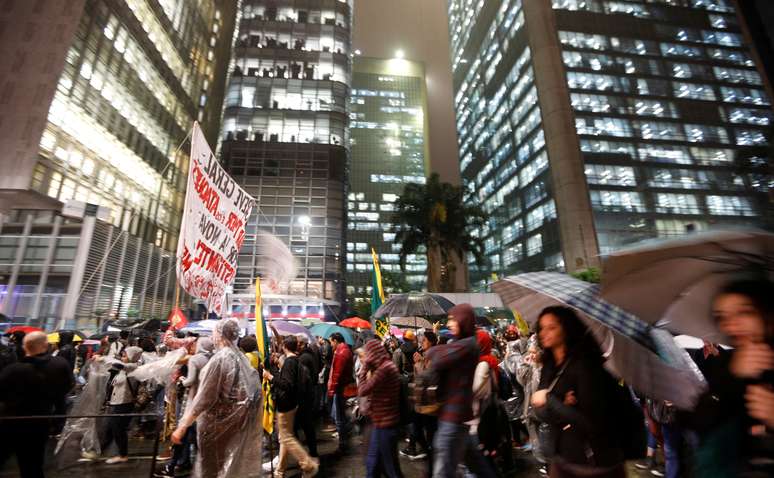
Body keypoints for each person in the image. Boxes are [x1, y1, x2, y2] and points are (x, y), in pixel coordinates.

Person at [682, 279, 774, 477]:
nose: (732, 325)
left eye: (745, 312)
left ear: (767, 314)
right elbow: (698, 422)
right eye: (722, 317)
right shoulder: (727, 363)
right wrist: (732, 378)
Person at [531, 306, 626, 478]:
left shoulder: (584, 366)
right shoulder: (549, 366)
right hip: (561, 456)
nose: (543, 333)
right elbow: (539, 412)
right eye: (541, 328)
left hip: (593, 462)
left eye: (551, 327)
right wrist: (562, 405)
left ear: (567, 329)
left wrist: (550, 399)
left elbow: (591, 424)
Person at [172, 319, 263, 478]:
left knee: (212, 469)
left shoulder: (220, 359)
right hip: (236, 425)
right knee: (228, 468)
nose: (212, 336)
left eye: (214, 332)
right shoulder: (240, 358)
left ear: (220, 335)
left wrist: (183, 426)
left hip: (216, 425)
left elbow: (204, 398)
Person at [420, 303, 492, 478]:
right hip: (455, 416)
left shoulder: (468, 344)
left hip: (454, 418)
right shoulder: (460, 344)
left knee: (443, 472)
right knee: (478, 468)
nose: (449, 323)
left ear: (464, 320)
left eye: (453, 319)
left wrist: (434, 349)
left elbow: (436, 358)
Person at [0, 331, 74, 478]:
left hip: (10, 422)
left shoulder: (13, 369)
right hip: (40, 423)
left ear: (24, 346)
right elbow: (65, 390)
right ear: (45, 345)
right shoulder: (59, 366)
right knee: (33, 466)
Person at [156, 337, 214, 478]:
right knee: (193, 438)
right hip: (206, 405)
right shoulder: (213, 359)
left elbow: (190, 381)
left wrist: (182, 380)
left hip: (193, 403)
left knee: (183, 435)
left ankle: (173, 466)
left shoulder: (195, 359)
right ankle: (183, 464)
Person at [263, 335, 319, 478]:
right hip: (292, 403)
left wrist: (270, 377)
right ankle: (280, 471)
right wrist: (276, 371)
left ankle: (308, 464)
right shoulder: (294, 361)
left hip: (285, 404)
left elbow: (286, 385)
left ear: (284, 347)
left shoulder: (290, 362)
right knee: (284, 438)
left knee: (287, 438)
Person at [92, 346, 144, 465]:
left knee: (118, 429)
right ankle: (99, 451)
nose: (122, 357)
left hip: (124, 404)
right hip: (117, 403)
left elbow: (120, 365)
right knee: (111, 428)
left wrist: (102, 358)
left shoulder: (133, 367)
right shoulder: (123, 369)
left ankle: (123, 455)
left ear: (132, 356)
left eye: (125, 355)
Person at [359, 339, 403, 478]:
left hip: (385, 424)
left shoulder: (384, 369)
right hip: (380, 422)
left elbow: (363, 390)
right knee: (372, 463)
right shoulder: (386, 366)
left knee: (390, 468)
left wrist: (364, 368)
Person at [404, 331, 438, 465]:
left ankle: (431, 456)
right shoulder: (425, 355)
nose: (421, 342)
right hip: (421, 400)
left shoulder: (434, 356)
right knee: (418, 429)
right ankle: (428, 453)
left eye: (424, 340)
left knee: (427, 430)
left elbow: (428, 378)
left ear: (431, 342)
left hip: (429, 401)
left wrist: (419, 363)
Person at [516, 336, 547, 474]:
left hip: (545, 414)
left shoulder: (548, 369)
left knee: (547, 443)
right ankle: (545, 464)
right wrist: (525, 364)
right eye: (530, 352)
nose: (532, 355)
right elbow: (521, 380)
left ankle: (550, 465)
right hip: (531, 411)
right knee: (537, 442)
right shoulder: (532, 367)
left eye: (535, 352)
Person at [327, 332, 354, 453]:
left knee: (339, 418)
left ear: (336, 341)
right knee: (340, 416)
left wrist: (332, 390)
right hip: (343, 387)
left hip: (340, 389)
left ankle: (343, 444)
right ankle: (345, 439)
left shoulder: (341, 353)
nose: (330, 344)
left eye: (331, 341)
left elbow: (337, 374)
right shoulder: (345, 350)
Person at [296, 334, 320, 457]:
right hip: (310, 393)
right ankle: (312, 452)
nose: (297, 345)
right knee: (308, 426)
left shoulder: (304, 358)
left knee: (306, 425)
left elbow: (302, 379)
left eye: (299, 343)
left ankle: (309, 454)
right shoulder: (309, 354)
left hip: (305, 396)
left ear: (303, 344)